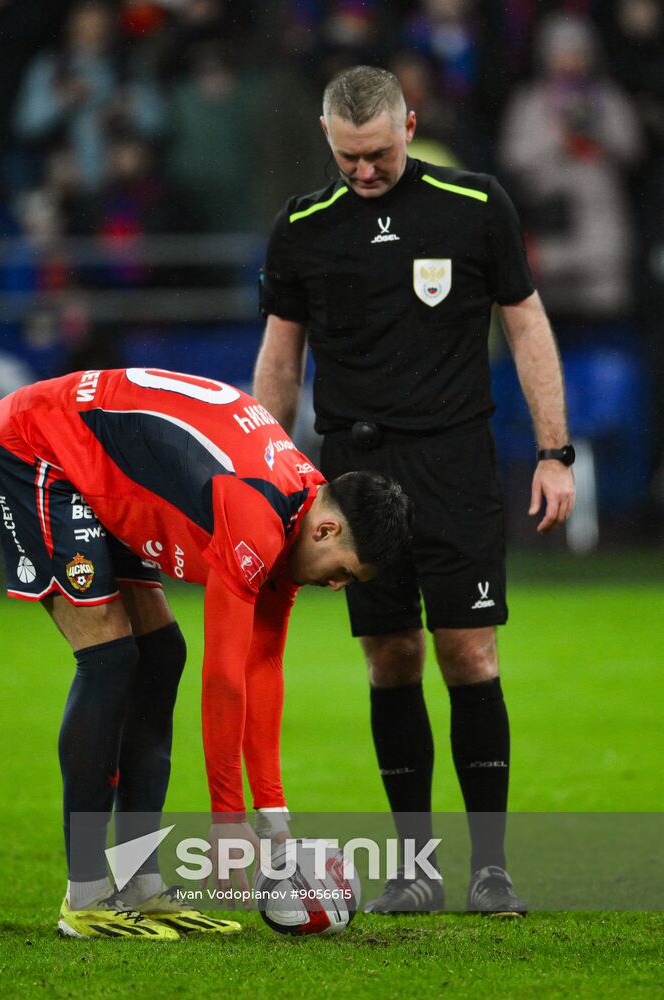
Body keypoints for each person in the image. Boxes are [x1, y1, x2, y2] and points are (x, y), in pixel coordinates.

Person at [253, 65, 576, 917]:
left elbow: (526, 321)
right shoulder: (301, 229)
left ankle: (492, 868)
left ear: (409, 126)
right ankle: (414, 866)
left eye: (378, 154)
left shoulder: (475, 207)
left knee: (469, 652)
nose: (363, 171)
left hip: (456, 460)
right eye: (348, 156)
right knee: (391, 658)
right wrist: (259, 471)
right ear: (328, 136)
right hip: (354, 474)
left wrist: (554, 451)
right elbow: (281, 359)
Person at [0, 365, 412, 939]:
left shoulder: (303, 500)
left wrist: (273, 820)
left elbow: (263, 663)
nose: (335, 587)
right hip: (35, 448)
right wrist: (227, 819)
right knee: (110, 660)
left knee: (161, 654)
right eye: (344, 575)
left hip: (101, 469)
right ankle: (85, 896)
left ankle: (140, 885)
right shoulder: (257, 515)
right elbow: (225, 673)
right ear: (328, 532)